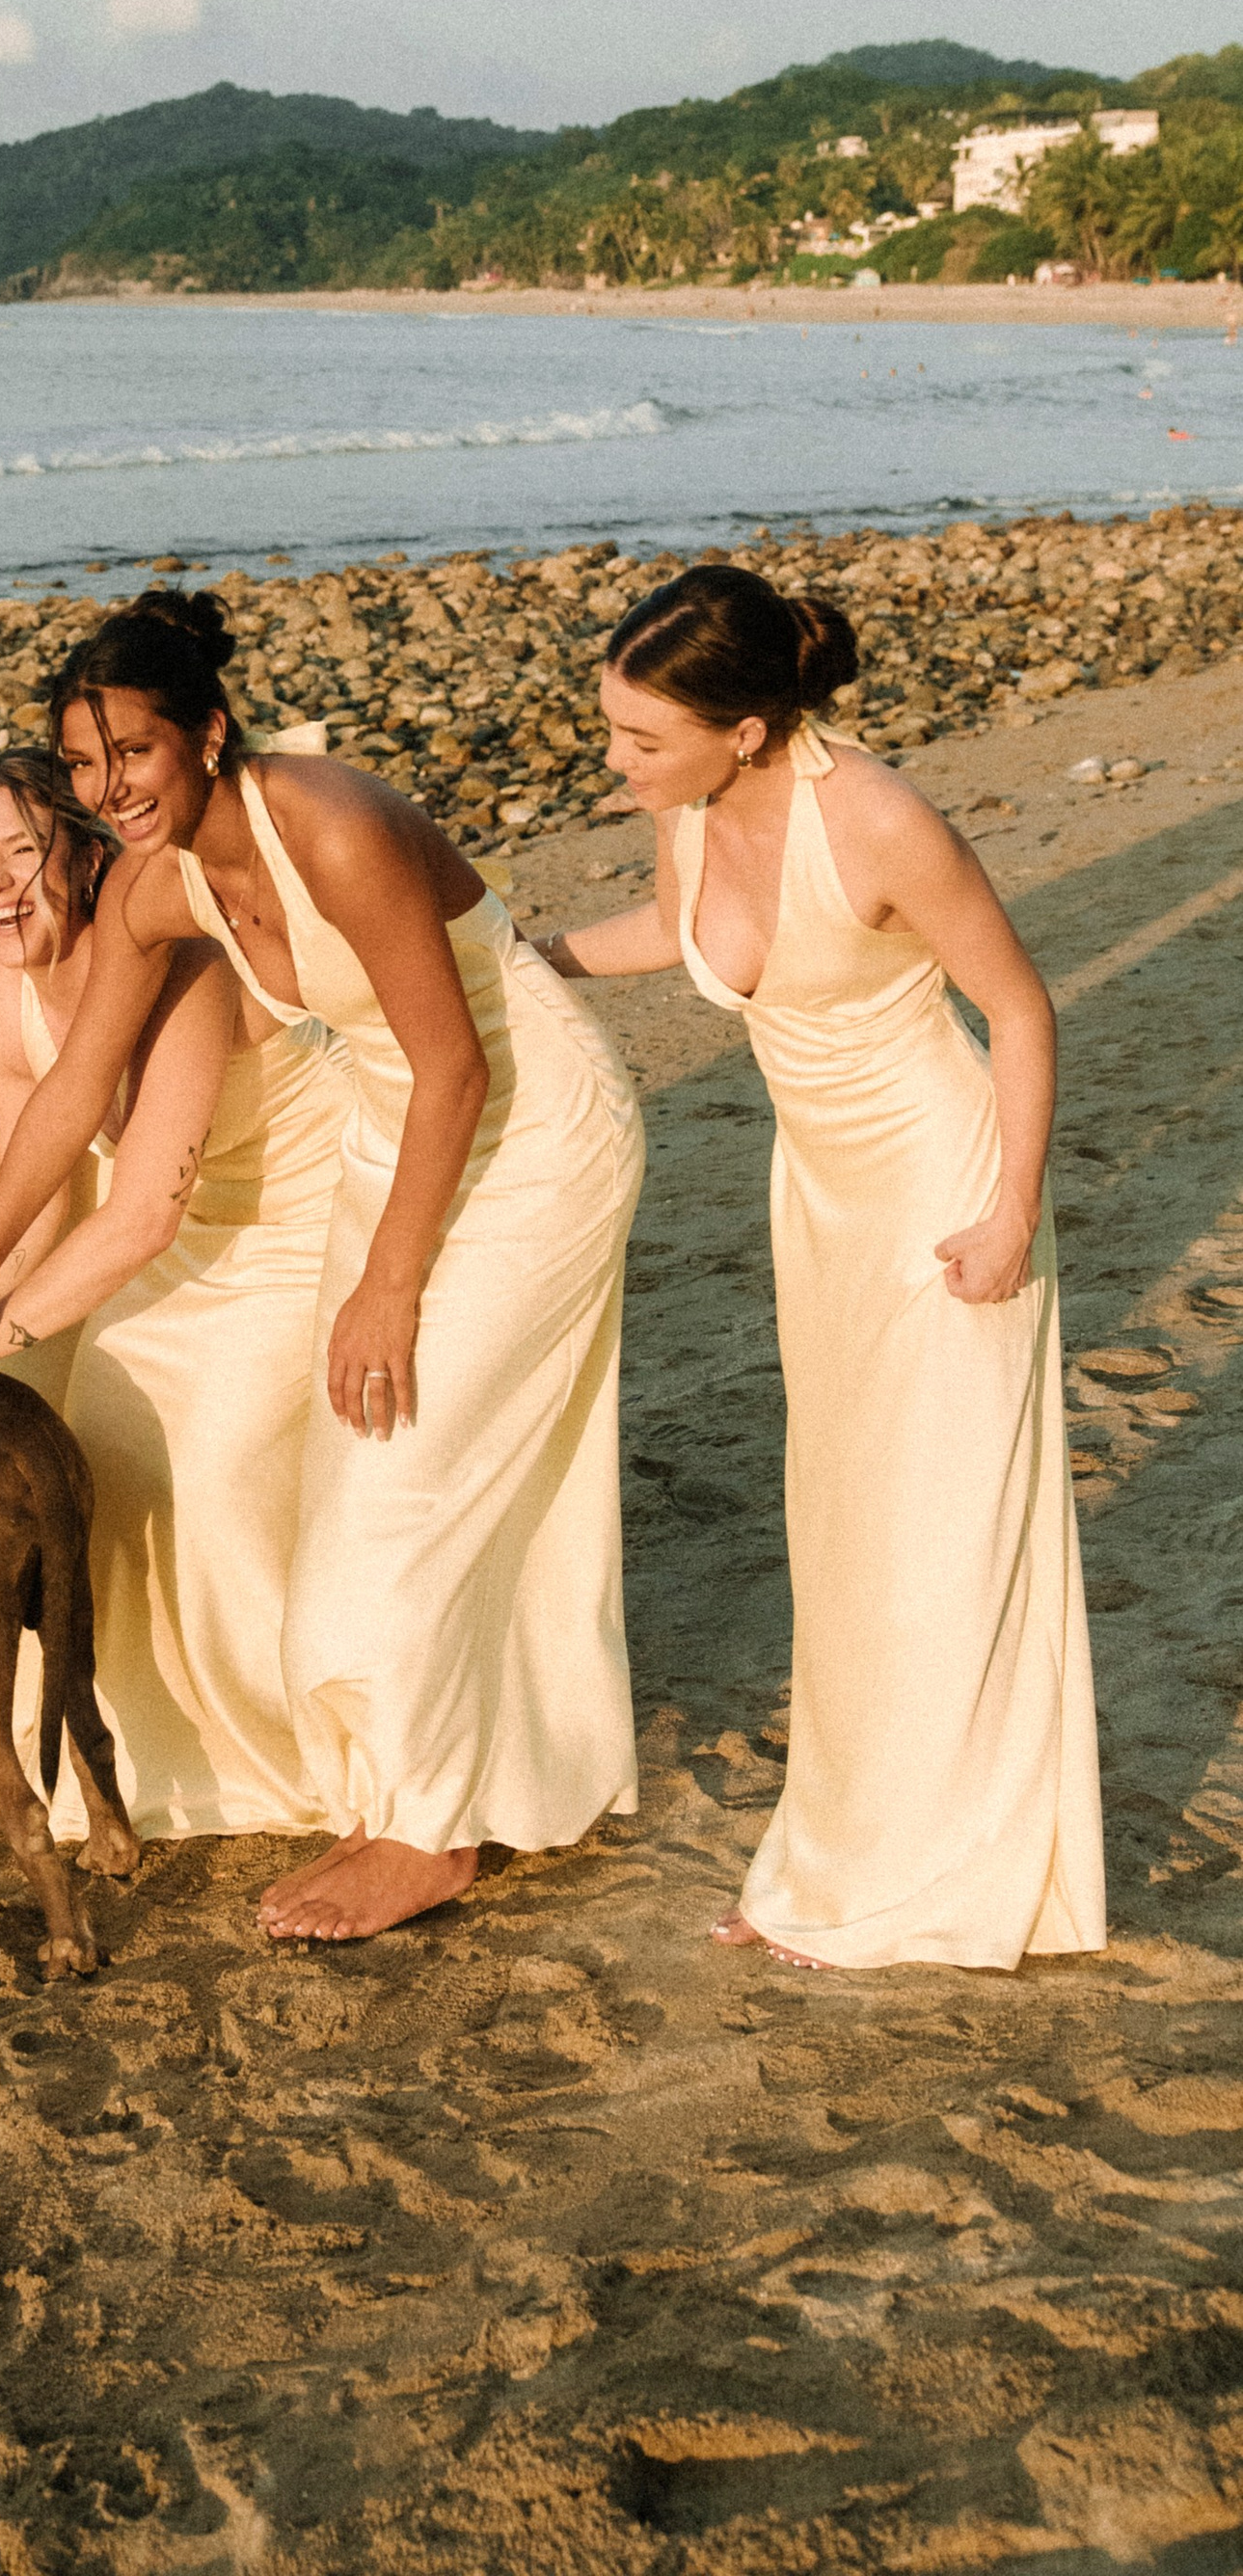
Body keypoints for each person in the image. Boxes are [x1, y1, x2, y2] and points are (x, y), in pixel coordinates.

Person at [0, 593, 644, 1945]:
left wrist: (387, 1285)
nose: (113, 792)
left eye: (139, 758)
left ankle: (426, 1831)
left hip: (528, 1132)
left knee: (404, 1473)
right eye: (90, 767)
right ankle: (406, 1773)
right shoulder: (151, 883)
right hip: (389, 1136)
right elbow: (67, 1098)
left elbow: (457, 1064)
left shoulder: (325, 822)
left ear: (211, 734)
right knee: (359, 1487)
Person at [536, 564, 1103, 1972]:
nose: (617, 764)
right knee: (847, 1540)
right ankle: (840, 1864)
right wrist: (529, 958)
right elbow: (682, 936)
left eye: (641, 739)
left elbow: (1020, 1008)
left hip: (941, 1190)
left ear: (745, 726)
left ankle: (929, 1883)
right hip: (820, 1205)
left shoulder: (881, 819)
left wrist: (1012, 1212)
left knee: (938, 1544)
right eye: (611, 729)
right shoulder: (694, 804)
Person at [0, 750, 347, 1840]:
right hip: (179, 1242)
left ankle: (290, 1748)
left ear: (87, 856)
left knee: (220, 1465)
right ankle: (148, 1741)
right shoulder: (0, 993)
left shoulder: (176, 961)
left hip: (304, 1216)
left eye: (22, 855)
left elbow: (141, 1212)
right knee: (99, 1452)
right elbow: (38, 1207)